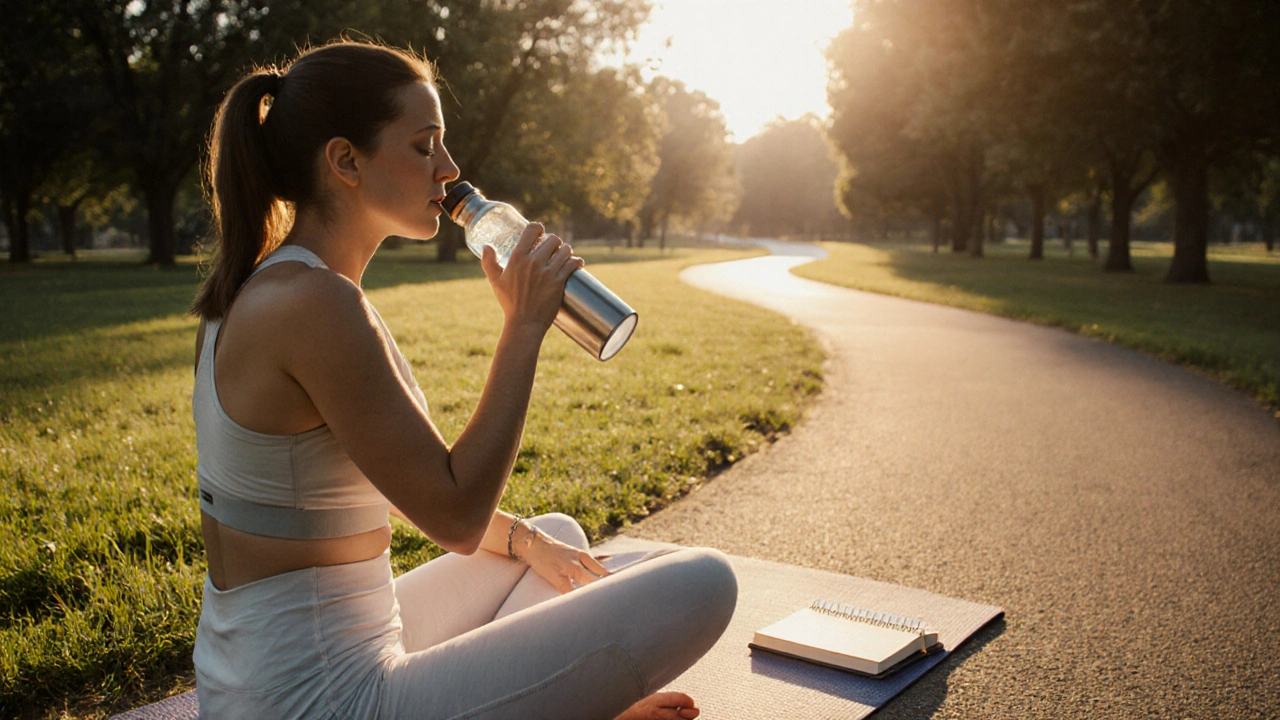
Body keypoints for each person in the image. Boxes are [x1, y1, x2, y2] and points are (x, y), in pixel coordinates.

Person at [188, 39, 737, 720]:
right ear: (345, 161)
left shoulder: (266, 286)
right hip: (325, 701)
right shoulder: (317, 305)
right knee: (705, 583)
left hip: (278, 674)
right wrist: (523, 327)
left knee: (548, 537)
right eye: (424, 146)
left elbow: (361, 486)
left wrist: (524, 539)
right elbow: (453, 515)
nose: (449, 170)